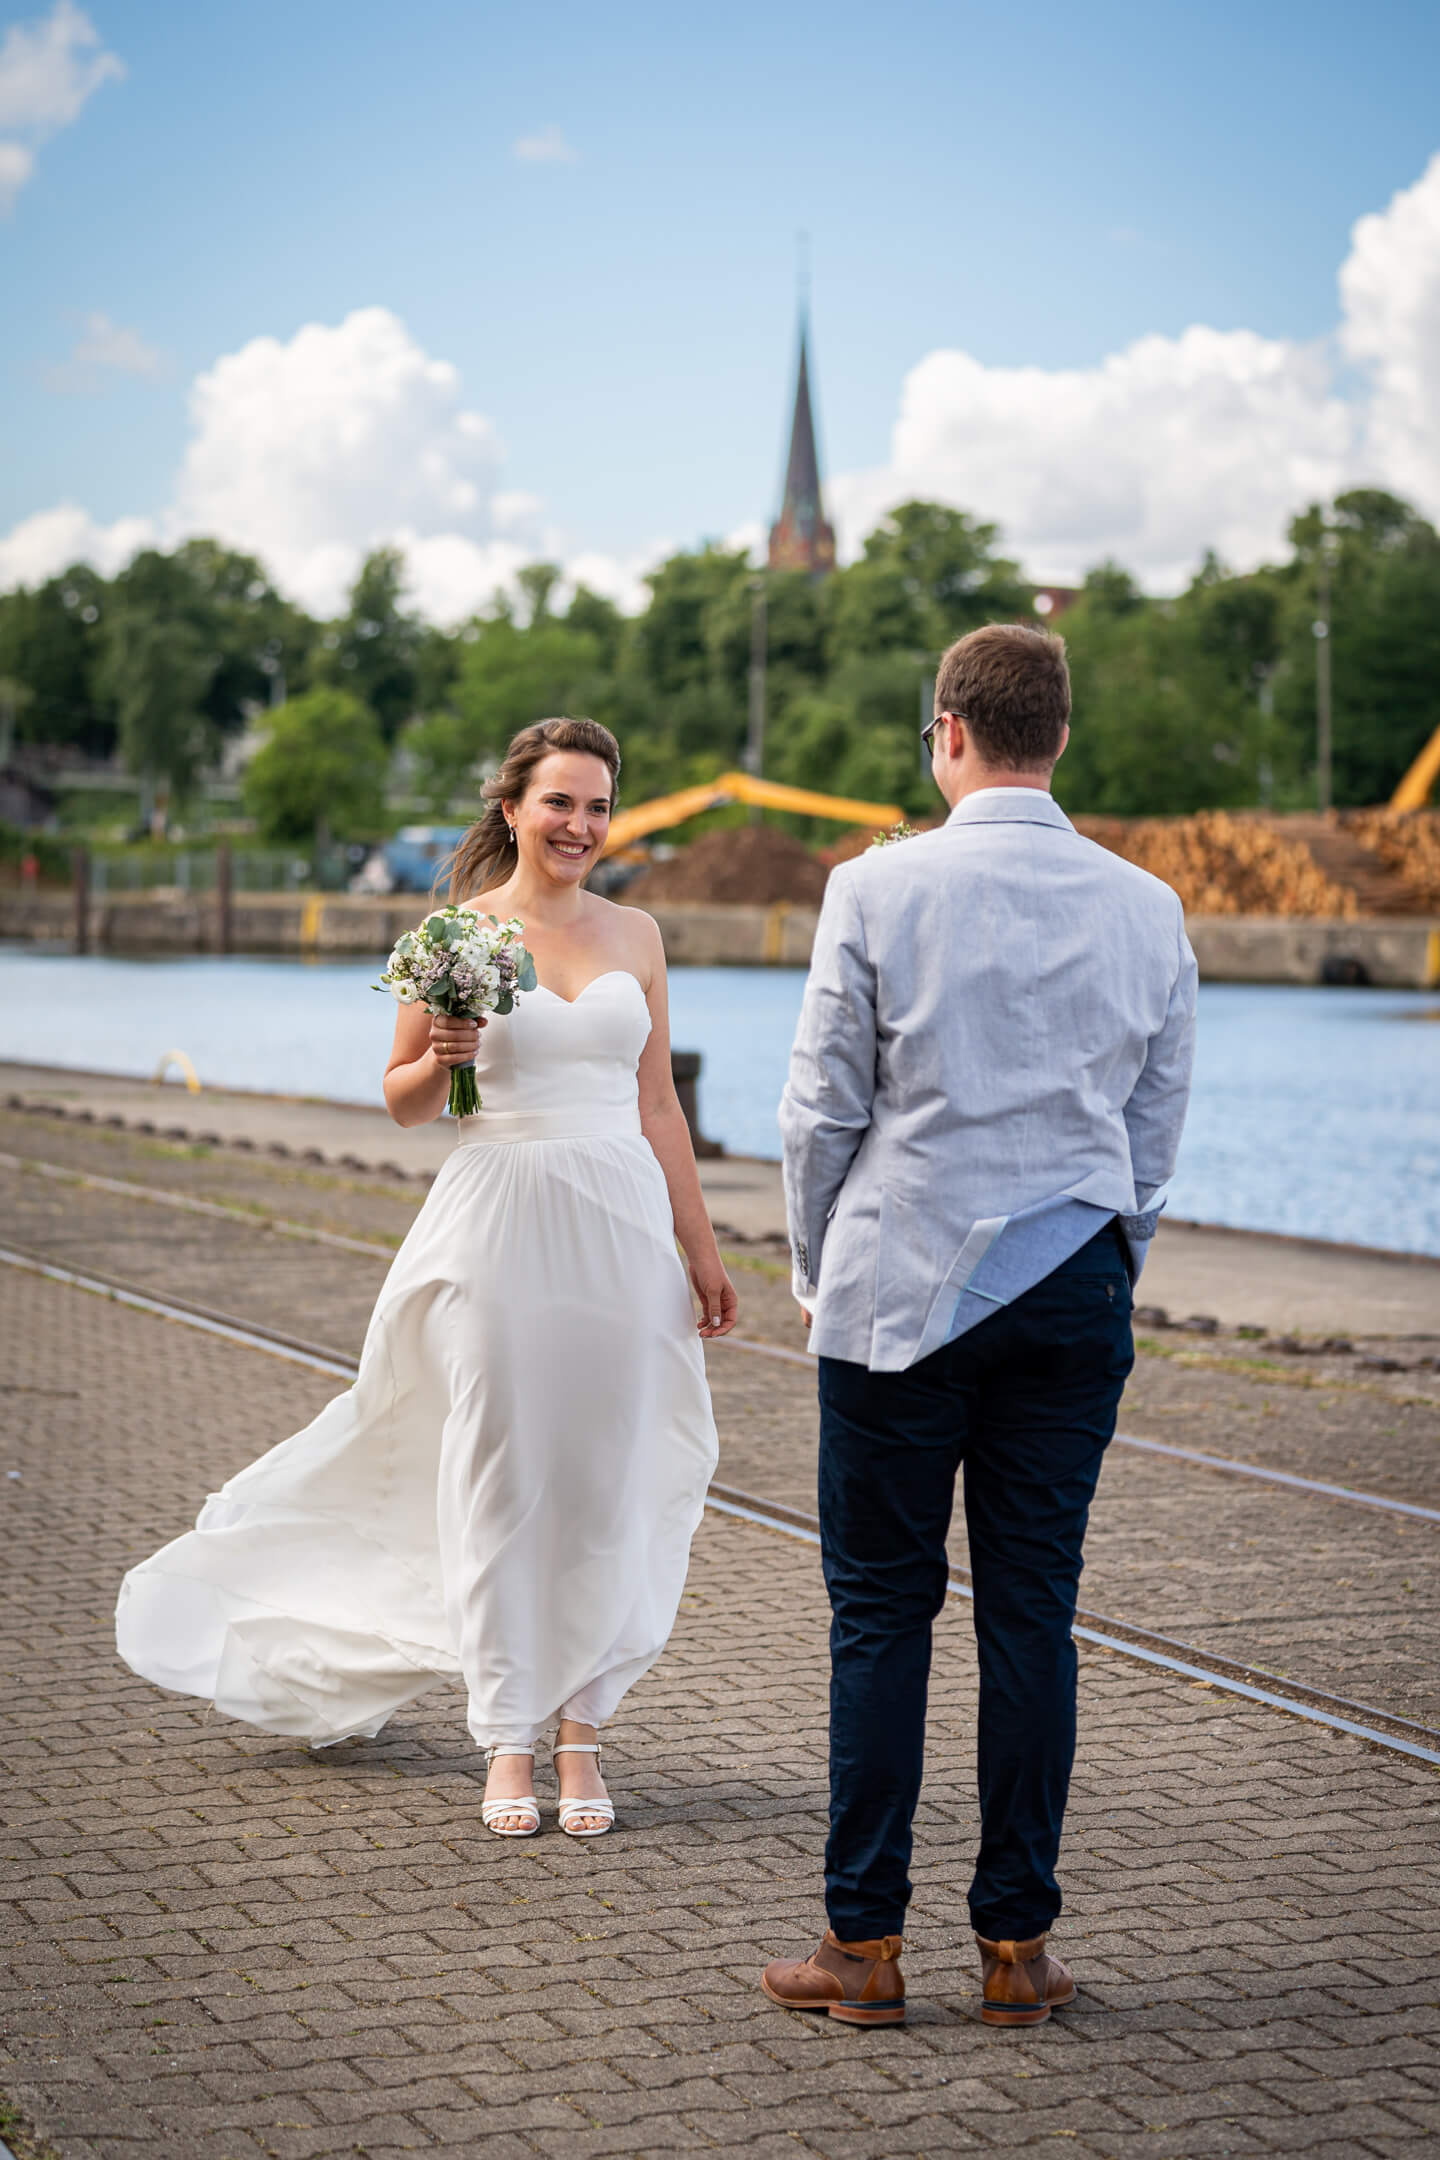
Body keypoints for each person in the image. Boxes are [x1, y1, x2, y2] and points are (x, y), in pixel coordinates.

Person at [117, 717, 736, 1840]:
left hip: (623, 1233)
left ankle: (582, 1730)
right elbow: (400, 1098)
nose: (581, 826)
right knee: (500, 1473)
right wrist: (442, 1058)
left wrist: (700, 1249)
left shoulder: (638, 933)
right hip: (498, 1222)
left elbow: (657, 1106)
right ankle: (505, 1733)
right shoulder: (452, 933)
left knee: (609, 1472)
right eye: (561, 802)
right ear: (513, 808)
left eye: (599, 806)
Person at [760, 625, 1196, 2026]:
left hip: (901, 1290)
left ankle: (864, 1953)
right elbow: (1158, 1115)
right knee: (1033, 1618)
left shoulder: (874, 888)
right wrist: (1111, 1247)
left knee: (882, 1616)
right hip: (1072, 1286)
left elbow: (820, 1106)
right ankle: (1016, 1951)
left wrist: (818, 1265)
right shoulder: (1148, 904)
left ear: (948, 730)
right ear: (1058, 736)